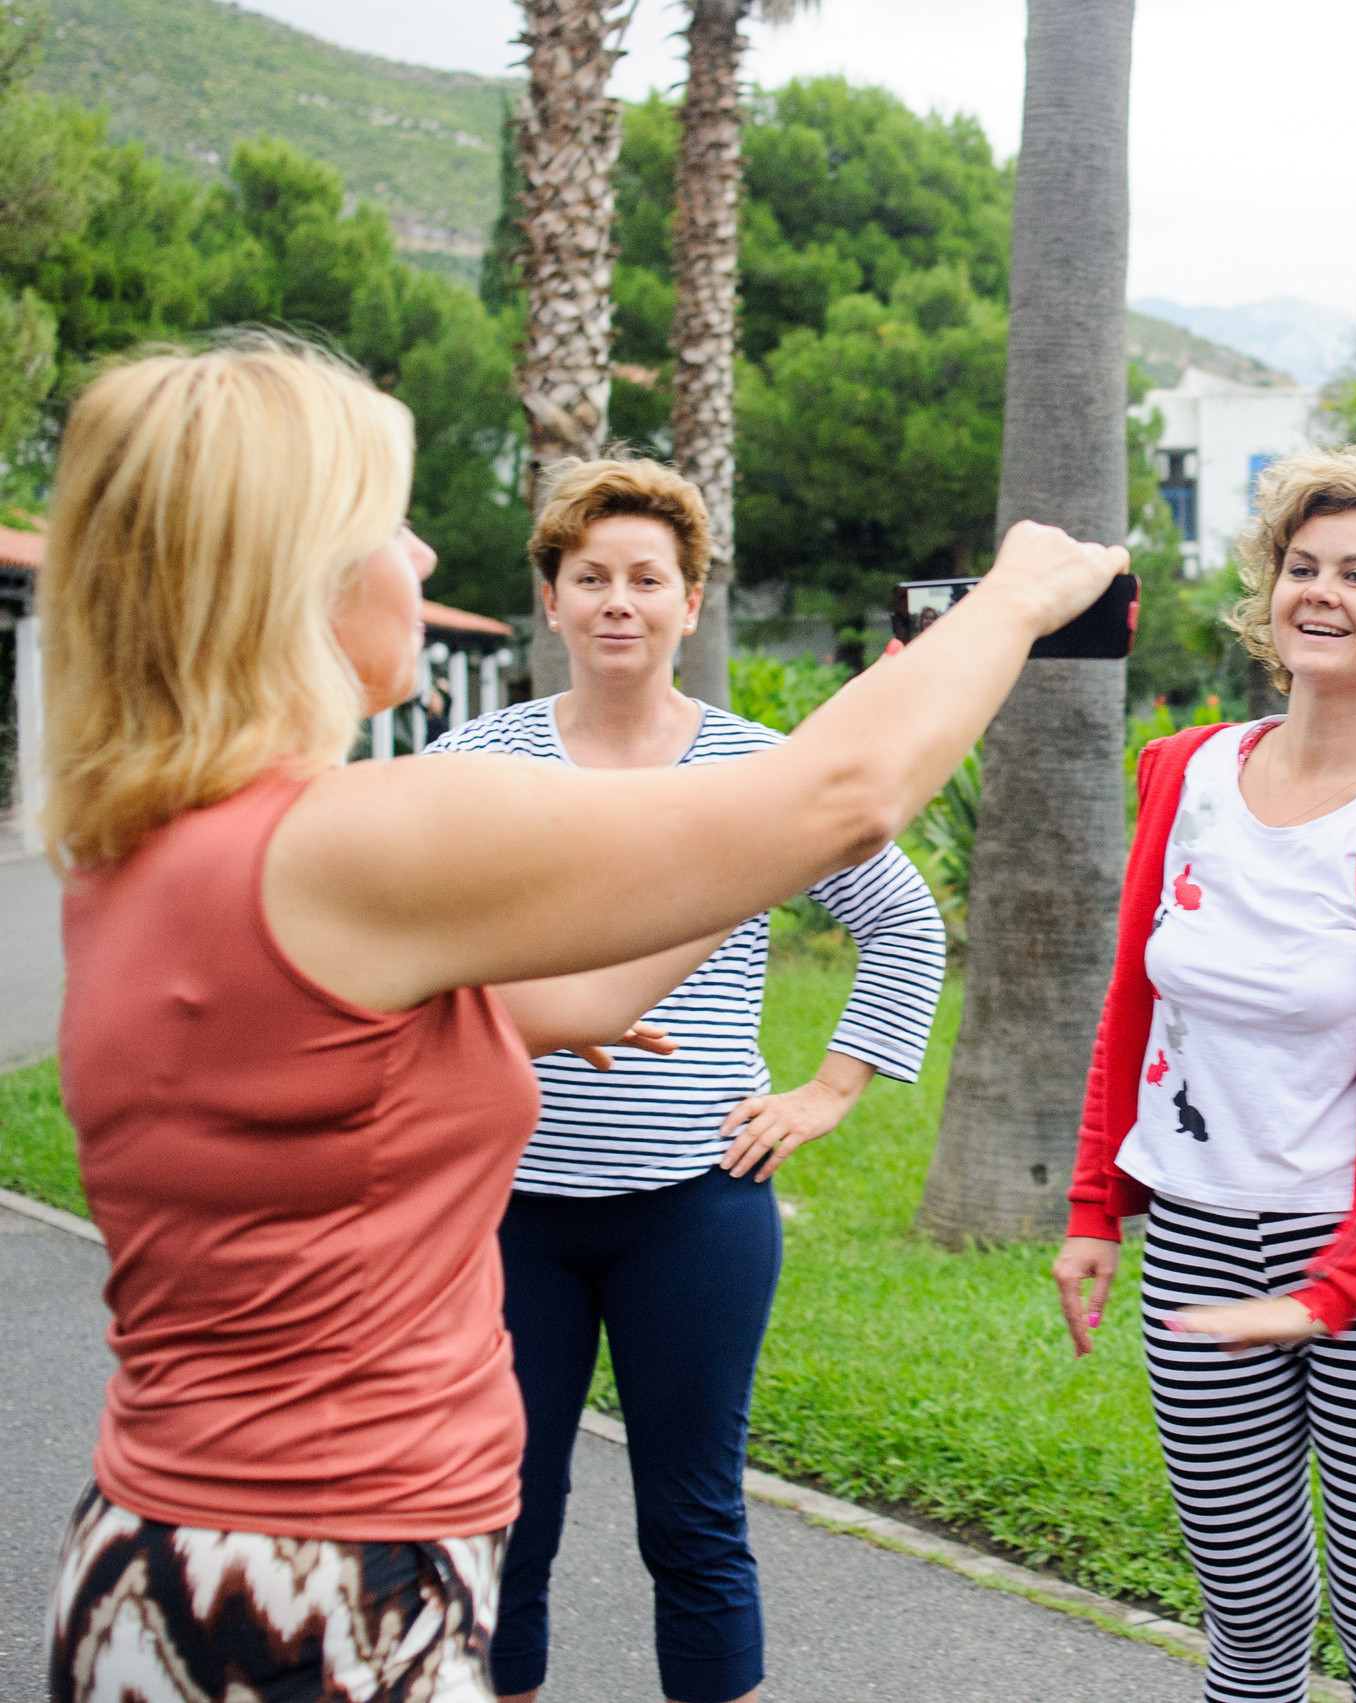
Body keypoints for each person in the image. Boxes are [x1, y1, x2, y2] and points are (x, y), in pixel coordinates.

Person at [40, 335, 1121, 1703]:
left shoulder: (152, 837)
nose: (425, 555)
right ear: (284, 573)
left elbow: (592, 991)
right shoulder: (360, 833)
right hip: (320, 1579)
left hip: (193, 1547)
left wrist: (725, 868)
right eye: (388, 524)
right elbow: (843, 799)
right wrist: (1010, 600)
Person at [422, 459, 946, 1703]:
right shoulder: (474, 759)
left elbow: (904, 922)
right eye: (590, 576)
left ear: (690, 599)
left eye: (647, 579)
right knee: (501, 1512)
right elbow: (411, 950)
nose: (619, 601)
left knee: (694, 1520)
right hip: (505, 1210)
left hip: (695, 1203)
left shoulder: (760, 770)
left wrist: (826, 1093)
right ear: (550, 598)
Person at [1052, 447, 1356, 1703]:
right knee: (1246, 1629)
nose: (1319, 590)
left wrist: (1329, 1294)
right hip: (1198, 1243)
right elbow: (1135, 1003)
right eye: (1301, 565)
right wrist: (1096, 1207)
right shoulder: (1186, 773)